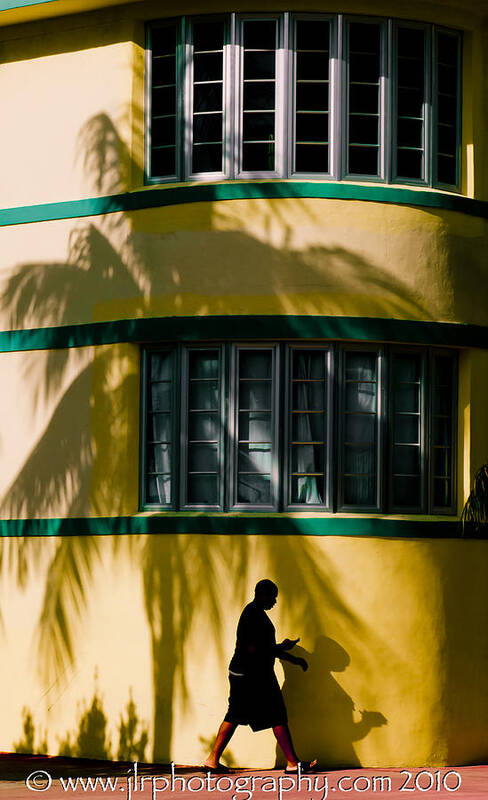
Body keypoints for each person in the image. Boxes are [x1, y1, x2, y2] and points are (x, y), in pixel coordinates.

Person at [204, 579, 316, 773]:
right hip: (252, 675)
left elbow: (265, 648)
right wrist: (287, 654)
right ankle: (292, 763)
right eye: (273, 597)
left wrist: (289, 655)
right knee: (276, 715)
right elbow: (257, 650)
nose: (274, 601)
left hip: (246, 673)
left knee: (236, 714)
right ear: (262, 594)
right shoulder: (253, 616)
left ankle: (212, 760)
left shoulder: (255, 614)